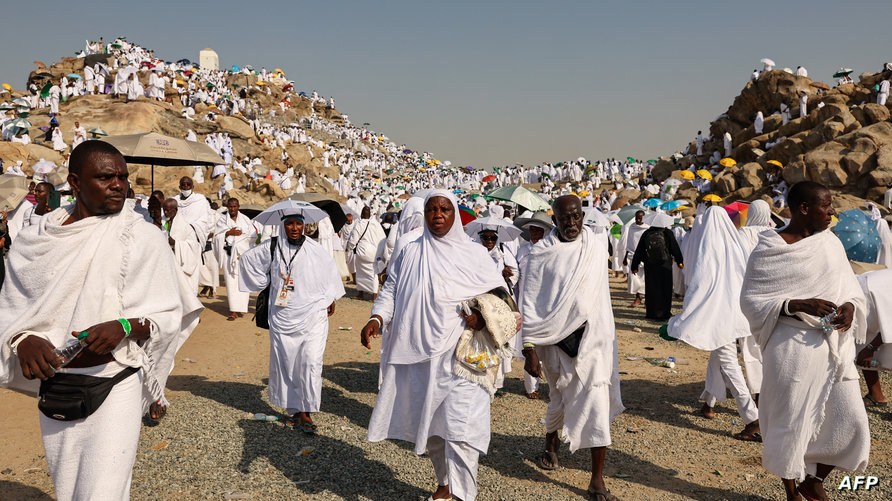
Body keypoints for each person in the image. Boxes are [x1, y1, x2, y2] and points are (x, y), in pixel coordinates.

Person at [0, 140, 201, 500]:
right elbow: (12, 311)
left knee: (102, 491)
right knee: (70, 487)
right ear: (75, 183)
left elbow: (169, 314)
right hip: (57, 386)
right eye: (106, 177)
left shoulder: (142, 237)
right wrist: (22, 340)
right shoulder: (35, 241)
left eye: (122, 176)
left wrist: (123, 327)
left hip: (115, 380)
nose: (119, 185)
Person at [363, 190, 507, 501]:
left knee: (462, 428)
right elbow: (391, 290)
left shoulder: (475, 255)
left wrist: (482, 319)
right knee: (434, 429)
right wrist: (377, 319)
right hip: (420, 355)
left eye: (444, 209)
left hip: (464, 357)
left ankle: (463, 495)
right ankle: (445, 484)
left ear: (455, 215)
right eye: (431, 209)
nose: (437, 215)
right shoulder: (411, 251)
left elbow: (503, 299)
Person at [740, 181, 870, 501]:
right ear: (803, 209)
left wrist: (851, 307)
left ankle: (812, 480)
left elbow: (849, 287)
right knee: (791, 420)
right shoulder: (769, 247)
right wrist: (796, 304)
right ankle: (791, 492)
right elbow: (751, 300)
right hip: (790, 345)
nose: (831, 212)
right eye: (826, 206)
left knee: (852, 420)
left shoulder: (830, 243)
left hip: (832, 345)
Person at [520, 195, 623, 501]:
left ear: (583, 216)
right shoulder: (541, 254)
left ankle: (596, 479)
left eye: (576, 216)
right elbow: (530, 301)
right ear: (555, 220)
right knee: (559, 398)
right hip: (554, 343)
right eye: (564, 219)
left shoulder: (593, 243)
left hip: (593, 340)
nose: (572, 223)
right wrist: (529, 348)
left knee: (597, 400)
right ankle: (551, 440)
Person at [239, 212, 344, 433]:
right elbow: (248, 261)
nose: (294, 228)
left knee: (310, 361)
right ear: (283, 226)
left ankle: (307, 410)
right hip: (282, 316)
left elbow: (330, 273)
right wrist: (265, 281)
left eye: (298, 223)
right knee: (287, 363)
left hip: (313, 315)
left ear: (304, 225)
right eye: (290, 224)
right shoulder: (272, 247)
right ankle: (296, 409)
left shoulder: (315, 249)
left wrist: (330, 297)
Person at [668, 206, 760, 440]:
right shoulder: (735, 245)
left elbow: (700, 284)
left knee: (729, 362)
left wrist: (683, 319)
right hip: (735, 312)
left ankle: (752, 418)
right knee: (718, 356)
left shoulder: (708, 248)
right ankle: (709, 402)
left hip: (717, 316)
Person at [737, 199, 773, 401]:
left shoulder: (742, 234)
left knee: (749, 346)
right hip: (770, 298)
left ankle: (758, 392)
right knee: (766, 344)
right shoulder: (774, 233)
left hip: (746, 296)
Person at [630, 213, 683, 320]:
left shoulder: (646, 233)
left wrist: (634, 266)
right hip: (665, 266)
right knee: (666, 289)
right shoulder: (667, 233)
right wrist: (679, 261)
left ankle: (651, 313)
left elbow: (639, 251)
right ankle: (664, 313)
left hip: (650, 265)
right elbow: (675, 248)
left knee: (651, 289)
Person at [214, 198, 256, 321]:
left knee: (242, 282)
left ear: (238, 206)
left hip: (242, 256)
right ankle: (233, 310)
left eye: (234, 206)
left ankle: (241, 307)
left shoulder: (245, 220)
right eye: (230, 207)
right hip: (229, 255)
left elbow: (252, 236)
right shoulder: (222, 220)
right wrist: (228, 232)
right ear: (227, 207)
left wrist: (241, 241)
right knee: (231, 282)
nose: (232, 209)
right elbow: (216, 236)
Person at [855, 268, 891, 408]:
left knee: (864, 343)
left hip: (868, 292)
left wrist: (870, 349)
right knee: (861, 340)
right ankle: (876, 395)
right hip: (868, 290)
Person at [162, 198, 202, 293]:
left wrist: (176, 243)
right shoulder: (163, 223)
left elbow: (194, 246)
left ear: (175, 210)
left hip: (180, 263)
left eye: (168, 210)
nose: (165, 212)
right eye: (164, 210)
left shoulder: (185, 227)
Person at [346, 206, 386, 300]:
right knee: (373, 274)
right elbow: (383, 239)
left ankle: (361, 294)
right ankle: (374, 296)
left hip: (363, 253)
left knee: (360, 273)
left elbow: (353, 240)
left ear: (362, 214)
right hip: (374, 253)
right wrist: (381, 254)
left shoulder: (359, 224)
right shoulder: (376, 224)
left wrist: (349, 248)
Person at [618, 210, 649, 306]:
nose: (638, 220)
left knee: (645, 280)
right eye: (636, 218)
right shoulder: (631, 227)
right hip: (632, 256)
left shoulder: (648, 228)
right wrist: (625, 257)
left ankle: (646, 299)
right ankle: (637, 298)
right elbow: (629, 242)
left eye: (640, 218)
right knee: (633, 279)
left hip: (644, 257)